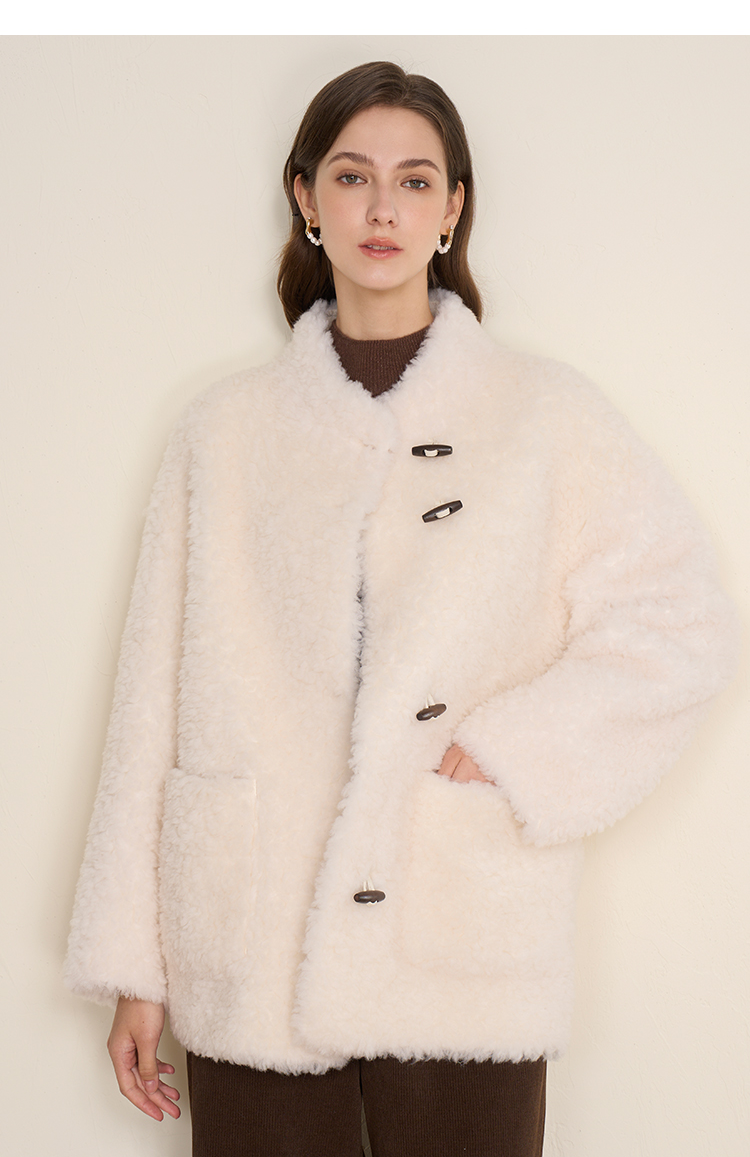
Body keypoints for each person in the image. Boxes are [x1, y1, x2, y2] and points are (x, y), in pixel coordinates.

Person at [65, 61, 738, 1157]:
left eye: (415, 180)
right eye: (352, 175)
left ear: (452, 208)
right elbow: (151, 701)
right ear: (305, 196)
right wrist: (134, 965)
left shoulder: (545, 418)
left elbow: (683, 624)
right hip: (249, 941)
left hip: (462, 933)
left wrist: (518, 747)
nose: (382, 208)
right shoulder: (223, 432)